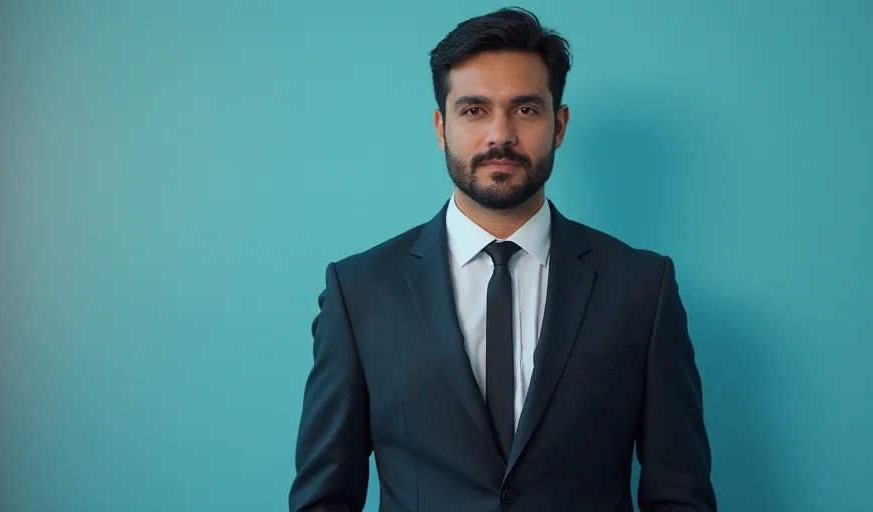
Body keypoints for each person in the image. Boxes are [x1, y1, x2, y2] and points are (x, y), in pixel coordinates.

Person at [289, 6, 716, 511]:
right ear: (440, 127)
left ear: (559, 125)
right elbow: (323, 499)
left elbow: (680, 496)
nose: (500, 135)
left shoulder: (643, 287)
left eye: (525, 109)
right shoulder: (359, 292)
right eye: (473, 110)